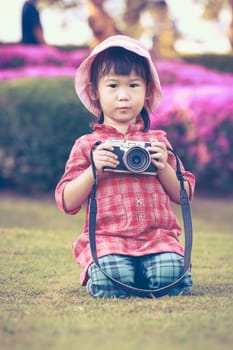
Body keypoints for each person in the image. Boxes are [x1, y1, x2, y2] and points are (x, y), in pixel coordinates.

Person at [55, 35, 195, 298]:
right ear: (95, 91)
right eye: (112, 86)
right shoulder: (88, 145)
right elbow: (66, 201)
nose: (123, 95)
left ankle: (147, 271)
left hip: (158, 239)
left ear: (147, 91)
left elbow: (183, 196)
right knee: (113, 281)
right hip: (109, 241)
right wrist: (92, 171)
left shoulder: (159, 142)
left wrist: (163, 167)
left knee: (170, 275)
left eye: (133, 85)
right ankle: (130, 273)